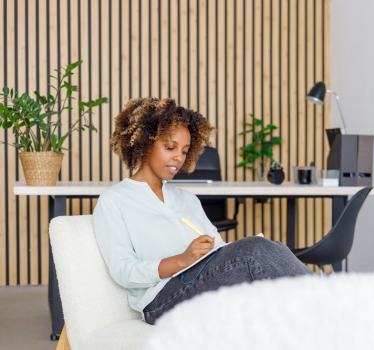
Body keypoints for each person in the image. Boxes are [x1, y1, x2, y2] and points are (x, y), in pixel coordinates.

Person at [92, 97, 311, 325]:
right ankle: (330, 303)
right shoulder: (114, 200)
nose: (179, 158)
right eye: (170, 147)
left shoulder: (187, 199)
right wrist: (182, 260)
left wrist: (215, 253)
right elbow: (123, 271)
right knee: (254, 251)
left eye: (185, 151)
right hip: (160, 301)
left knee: (273, 251)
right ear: (146, 143)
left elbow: (220, 251)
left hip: (201, 284)